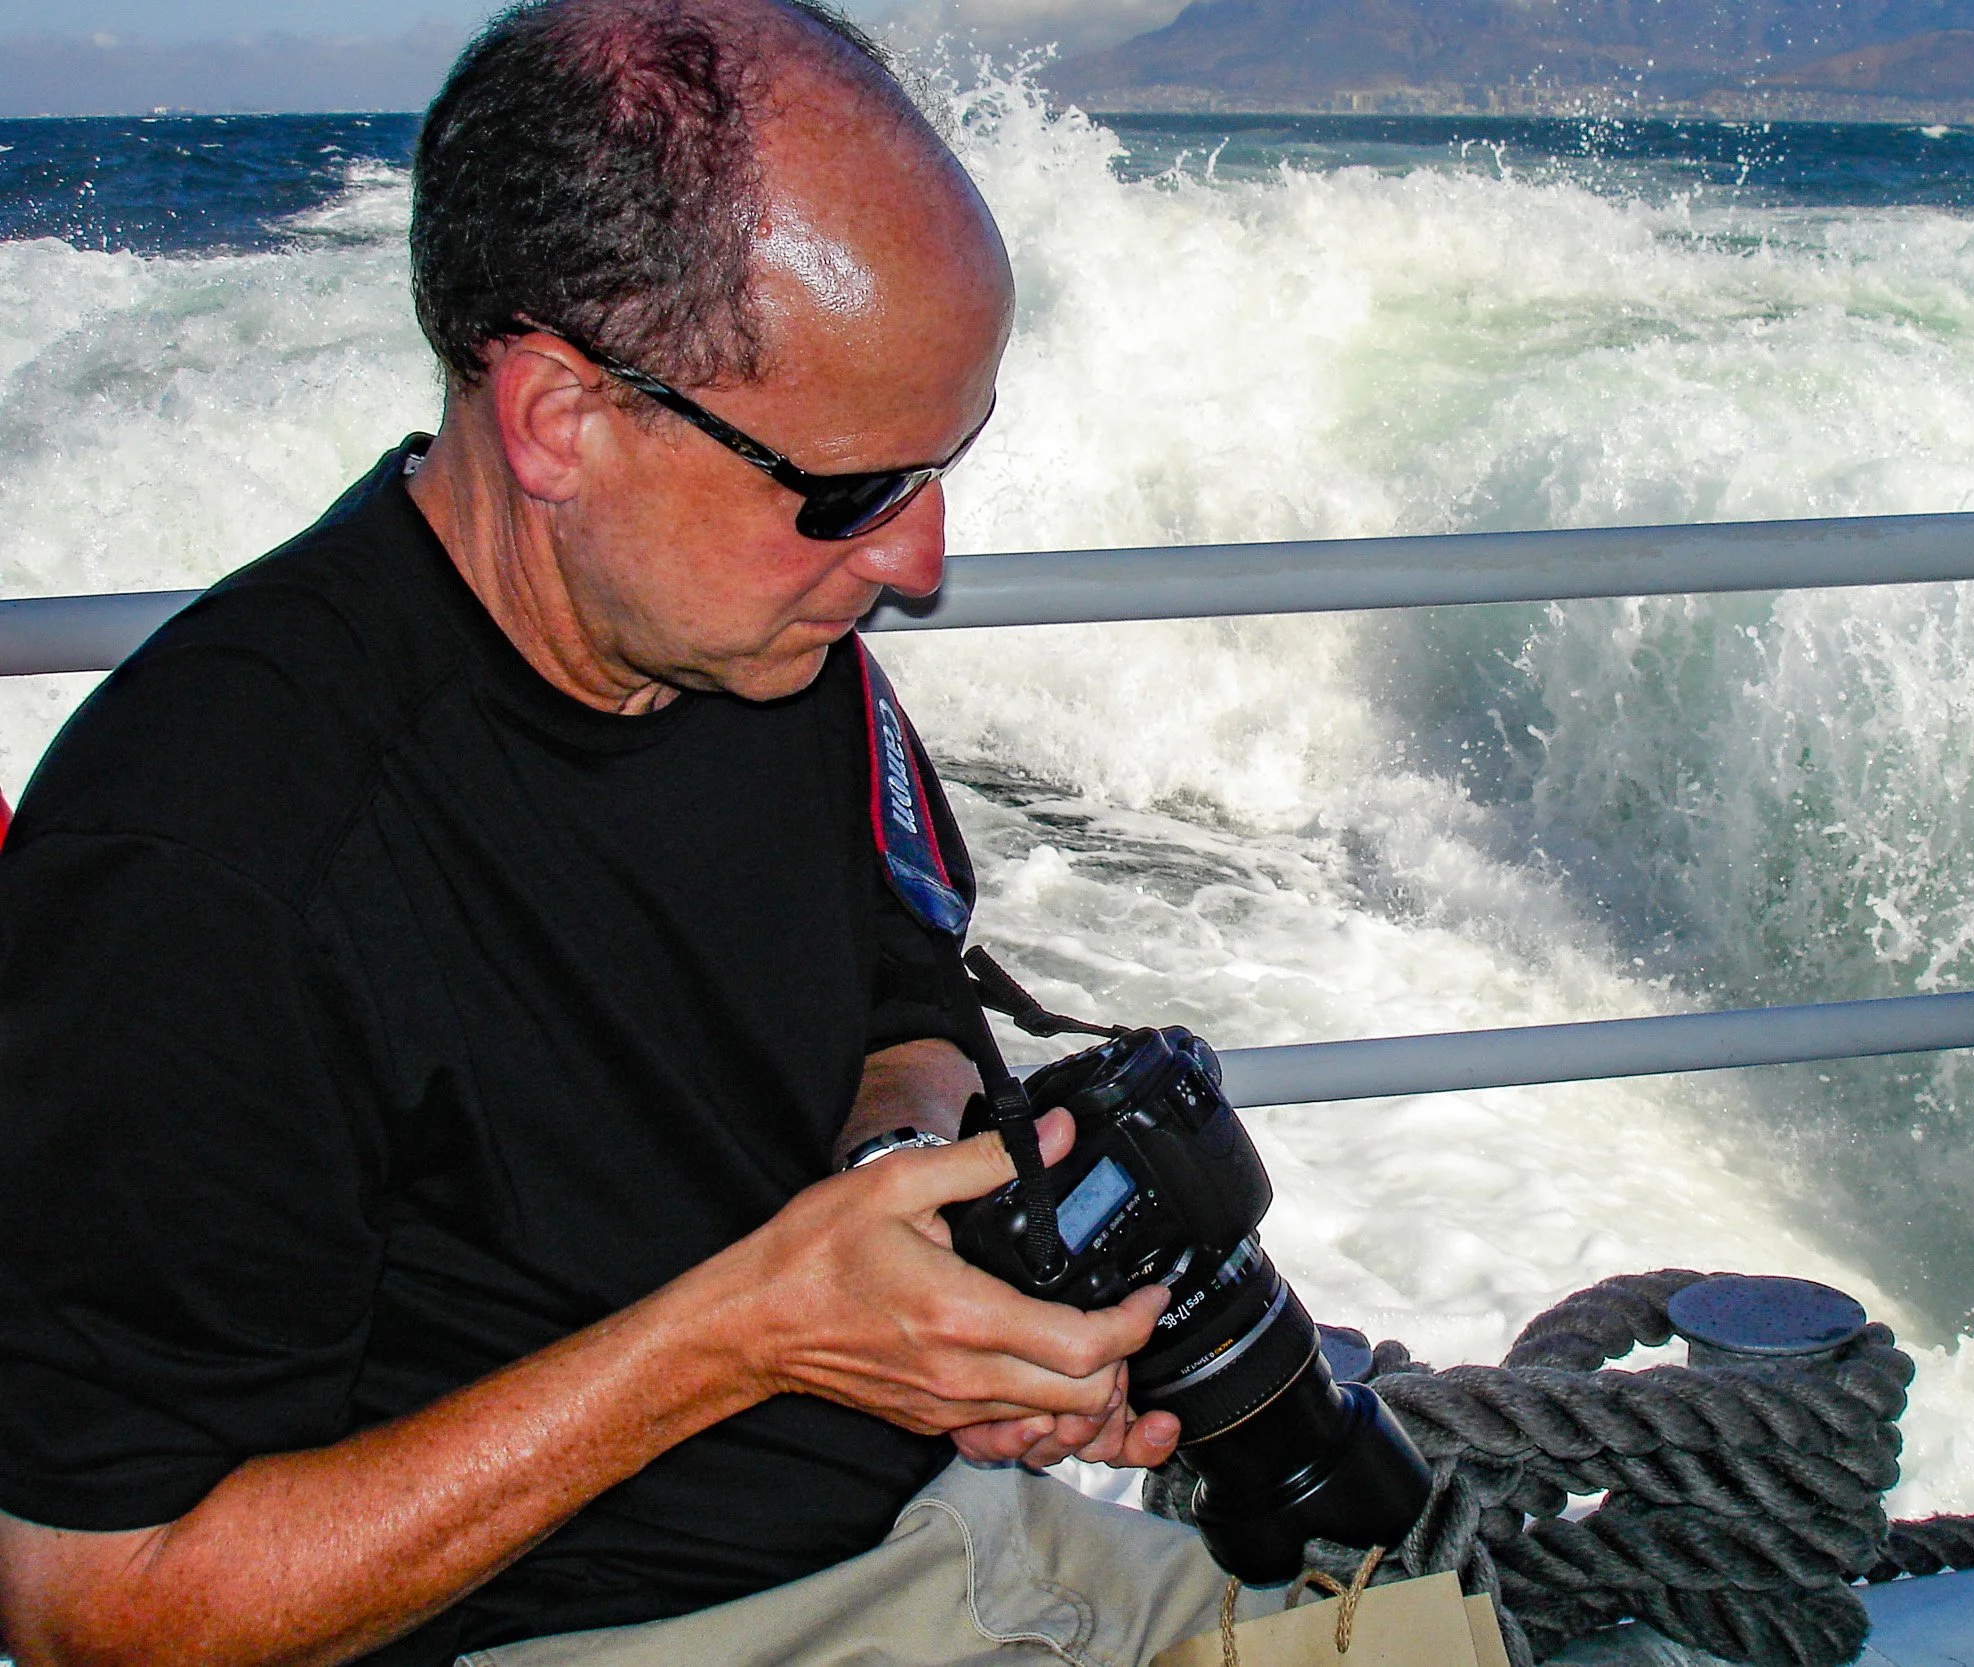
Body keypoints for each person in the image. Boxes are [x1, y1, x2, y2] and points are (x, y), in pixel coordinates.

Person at [0, 4, 1280, 1663]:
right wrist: (755, 1336)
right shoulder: (213, 859)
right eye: (854, 488)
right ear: (559, 419)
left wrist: (917, 1201)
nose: (917, 559)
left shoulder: (758, 637)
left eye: (946, 466)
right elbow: (102, 1599)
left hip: (925, 1529)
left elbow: (901, 974)